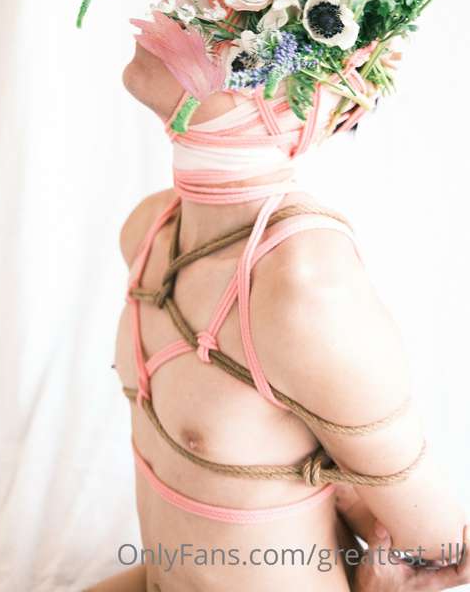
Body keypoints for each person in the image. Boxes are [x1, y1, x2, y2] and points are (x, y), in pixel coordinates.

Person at [85, 34, 468, 592]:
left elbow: (446, 547)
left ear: (293, 99)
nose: (174, 13)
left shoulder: (307, 286)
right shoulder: (149, 230)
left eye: (225, 19)